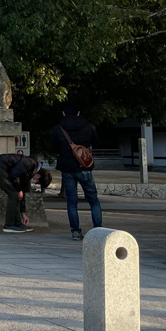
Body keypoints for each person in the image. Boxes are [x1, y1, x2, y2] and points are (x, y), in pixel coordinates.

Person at [52, 102, 102, 240]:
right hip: (84, 167)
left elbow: (54, 148)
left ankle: (75, 231)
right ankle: (98, 231)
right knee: (93, 201)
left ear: (63, 113)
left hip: (67, 169)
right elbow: (96, 143)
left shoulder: (58, 129)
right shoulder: (89, 127)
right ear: (78, 113)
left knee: (72, 202)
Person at [0, 153, 51, 233]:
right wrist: (19, 190)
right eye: (38, 182)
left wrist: (23, 213)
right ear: (39, 176)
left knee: (16, 194)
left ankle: (17, 223)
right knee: (13, 194)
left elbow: (22, 193)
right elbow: (14, 174)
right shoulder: (30, 163)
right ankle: (9, 225)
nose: (36, 183)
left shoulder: (30, 172)